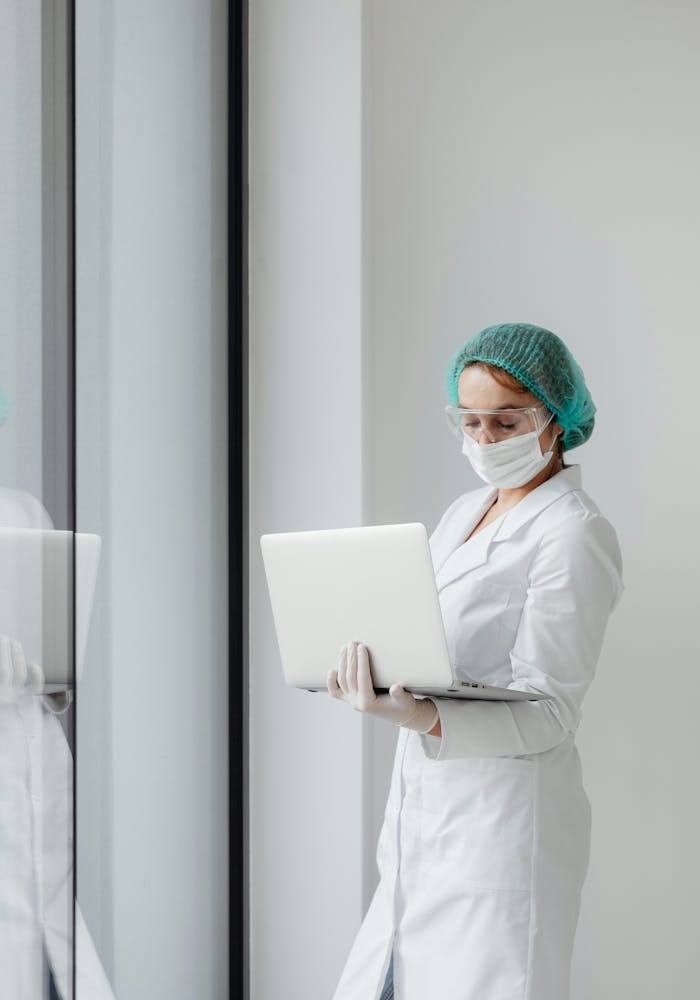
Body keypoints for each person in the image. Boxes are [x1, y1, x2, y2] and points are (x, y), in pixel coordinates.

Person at [327, 323, 625, 1000]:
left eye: (506, 421)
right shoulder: (465, 511)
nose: (485, 440)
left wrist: (421, 715)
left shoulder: (574, 534)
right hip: (421, 833)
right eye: (470, 421)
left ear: (556, 418)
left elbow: (550, 713)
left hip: (500, 840)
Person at [0, 384, 116, 998]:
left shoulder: (23, 510)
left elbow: (54, 649)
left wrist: (51, 681)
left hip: (37, 760)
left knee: (51, 937)